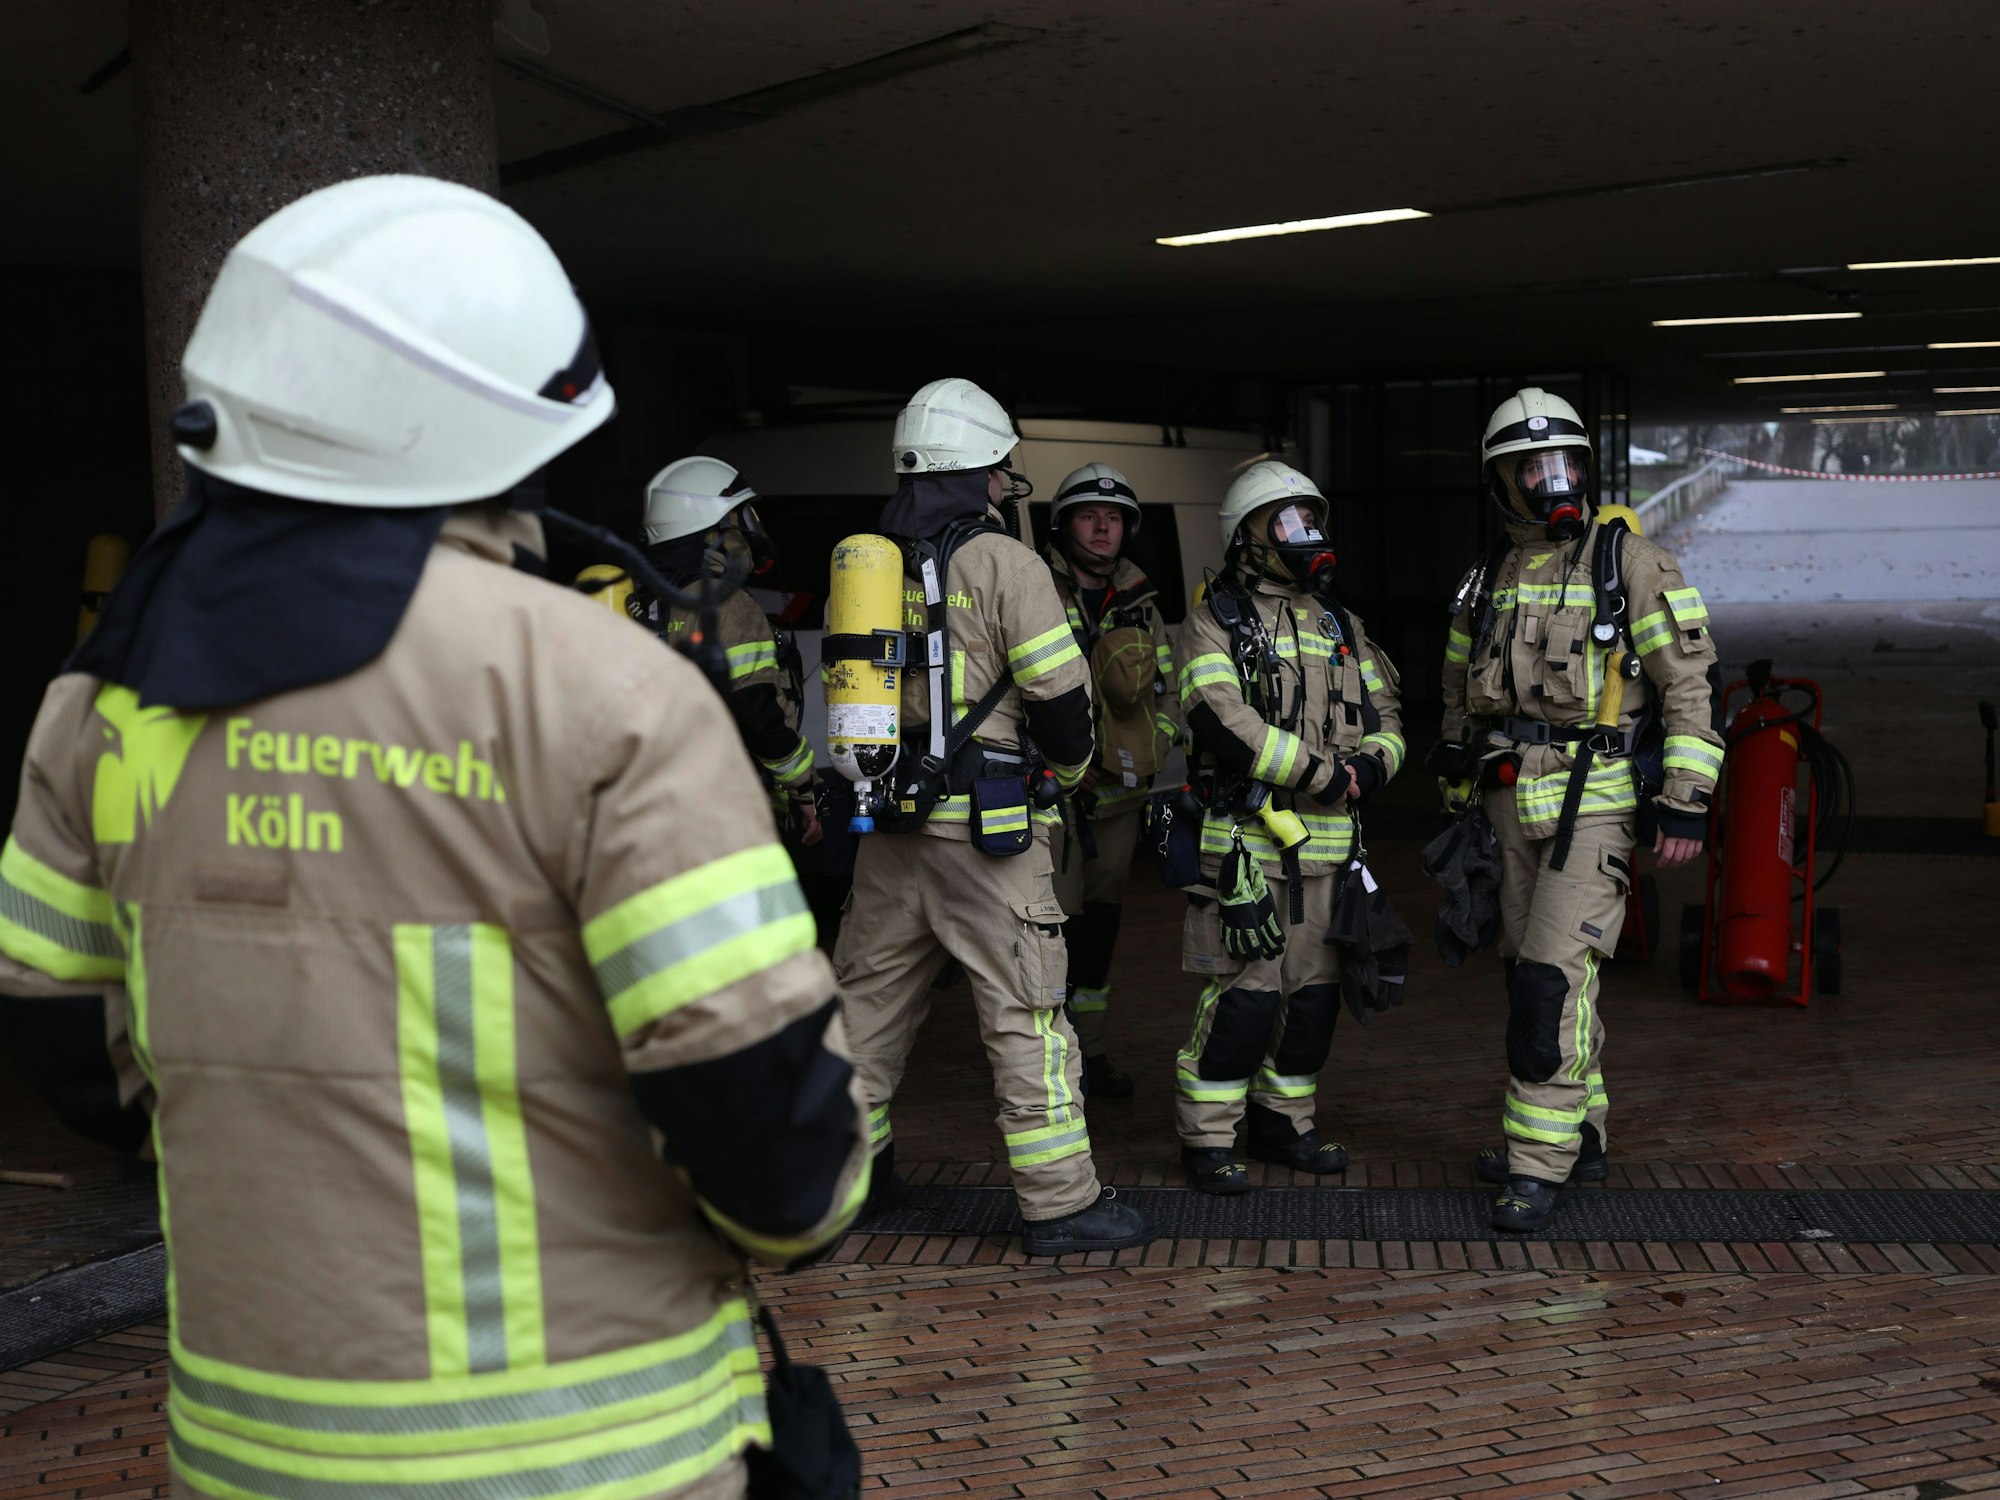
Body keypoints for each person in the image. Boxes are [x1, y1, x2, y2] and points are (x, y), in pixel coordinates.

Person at [0, 175, 869, 1499]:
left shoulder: (101, 698)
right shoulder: (601, 687)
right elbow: (769, 1133)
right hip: (591, 1456)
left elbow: (78, 1061)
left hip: (243, 1454)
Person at [832, 378, 1153, 1256]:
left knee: (862, 1010)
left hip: (889, 833)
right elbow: (1060, 698)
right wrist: (1071, 773)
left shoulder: (869, 564)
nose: (1012, 479)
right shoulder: (1007, 565)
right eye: (1004, 465)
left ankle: (845, 1187)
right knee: (1025, 1013)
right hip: (990, 838)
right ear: (980, 470)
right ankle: (1061, 1204)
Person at [1437, 386, 1721, 1231]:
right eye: (1533, 467)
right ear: (1502, 481)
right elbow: (1459, 695)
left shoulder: (1631, 562)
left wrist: (1685, 804)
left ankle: (1537, 1164)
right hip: (1506, 805)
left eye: (1564, 463)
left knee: (1549, 984)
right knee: (1541, 977)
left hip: (1592, 809)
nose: (1552, 480)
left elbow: (1690, 690)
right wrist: (1457, 785)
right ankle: (1578, 1135)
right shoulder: (1486, 575)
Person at [1172, 460, 1404, 1194]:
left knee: (1313, 1000)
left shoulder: (1341, 622)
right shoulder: (1215, 619)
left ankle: (1285, 1124)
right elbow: (1221, 718)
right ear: (1248, 535)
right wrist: (1323, 774)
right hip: (1247, 850)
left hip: (1332, 857)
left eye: (1312, 519)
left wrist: (1374, 766)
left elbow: (1387, 716)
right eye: (1289, 521)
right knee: (1245, 998)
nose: (1308, 535)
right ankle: (1208, 1139)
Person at [1042, 463, 1181, 1098]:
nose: (1102, 528)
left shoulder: (1140, 599)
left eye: (1114, 517)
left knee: (1098, 936)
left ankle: (1090, 1056)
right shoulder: (1033, 588)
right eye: (1088, 515)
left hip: (1120, 801)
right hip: (1053, 799)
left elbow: (1167, 691)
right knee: (1051, 936)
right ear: (1063, 523)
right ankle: (1050, 1067)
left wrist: (1167, 742)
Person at [634, 456, 820, 847]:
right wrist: (805, 787)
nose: (751, 532)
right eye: (740, 519)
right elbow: (755, 710)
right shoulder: (724, 601)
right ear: (709, 532)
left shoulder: (646, 598)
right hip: (724, 807)